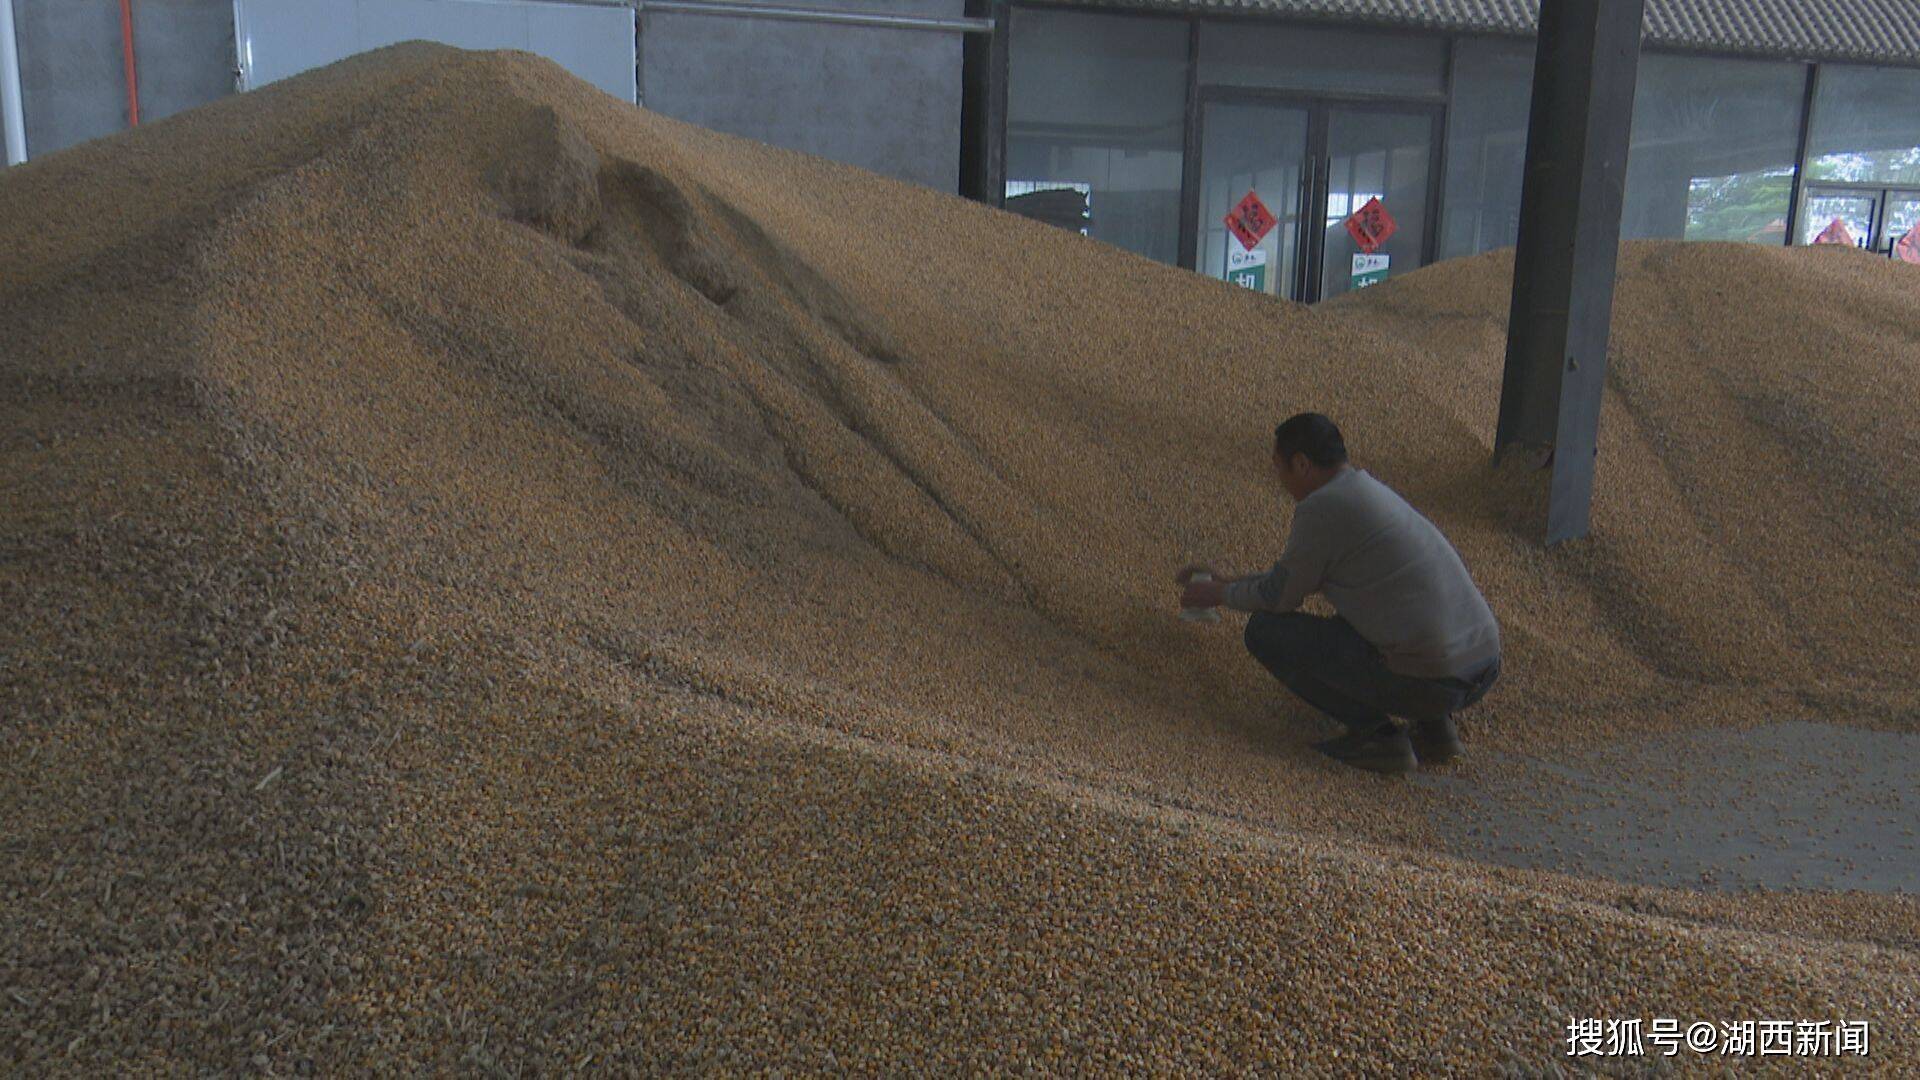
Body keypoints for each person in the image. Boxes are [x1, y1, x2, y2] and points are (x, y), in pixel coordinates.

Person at [1177, 413, 1502, 775]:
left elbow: (1277, 598)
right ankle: (1436, 729)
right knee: (1372, 616)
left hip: (1436, 681)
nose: (1279, 480)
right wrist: (1227, 583)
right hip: (1482, 664)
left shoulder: (1321, 509)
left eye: (1279, 467)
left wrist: (1219, 595)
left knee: (1265, 632)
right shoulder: (1363, 490)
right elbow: (1292, 578)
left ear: (1301, 464)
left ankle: (1378, 737)